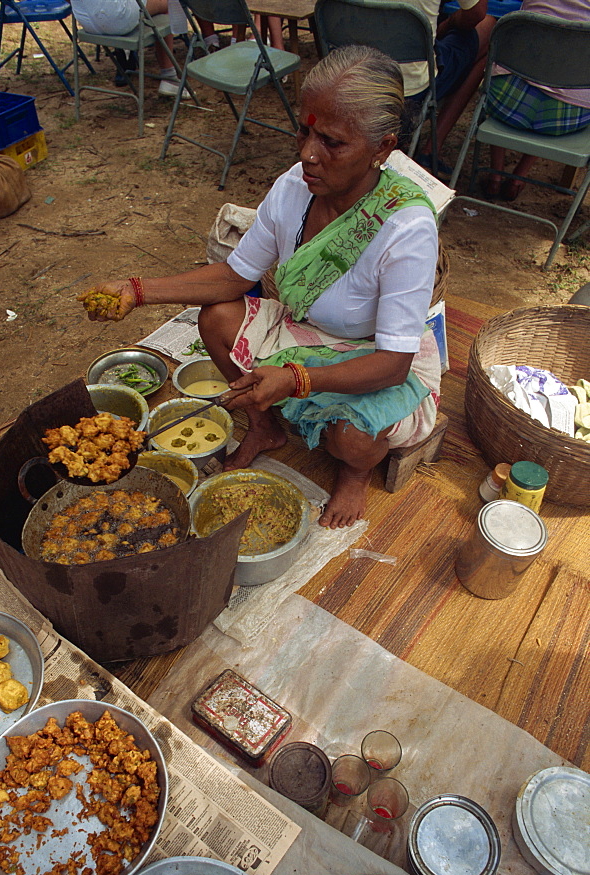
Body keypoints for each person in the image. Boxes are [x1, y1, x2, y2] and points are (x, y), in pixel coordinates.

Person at [79, 46, 441, 529]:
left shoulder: (406, 227)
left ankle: (355, 475)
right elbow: (234, 276)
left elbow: (393, 366)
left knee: (351, 439)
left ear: (382, 149)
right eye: (304, 130)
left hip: (373, 355)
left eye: (332, 142)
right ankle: (266, 427)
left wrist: (296, 379)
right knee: (218, 317)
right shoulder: (295, 186)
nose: (308, 153)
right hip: (307, 329)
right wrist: (138, 289)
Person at [484, 0, 590, 200]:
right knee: (558, 81)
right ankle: (518, 178)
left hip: (506, 104)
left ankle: (495, 175)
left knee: (502, 64)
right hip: (567, 119)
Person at [398, 0, 496, 173]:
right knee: (488, 27)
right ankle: (430, 151)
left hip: (350, 73)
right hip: (411, 87)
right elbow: (476, 14)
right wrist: (449, 23)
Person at [70, 0, 184, 96]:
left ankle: (127, 54)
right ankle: (170, 77)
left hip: (87, 23)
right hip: (118, 19)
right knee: (169, 2)